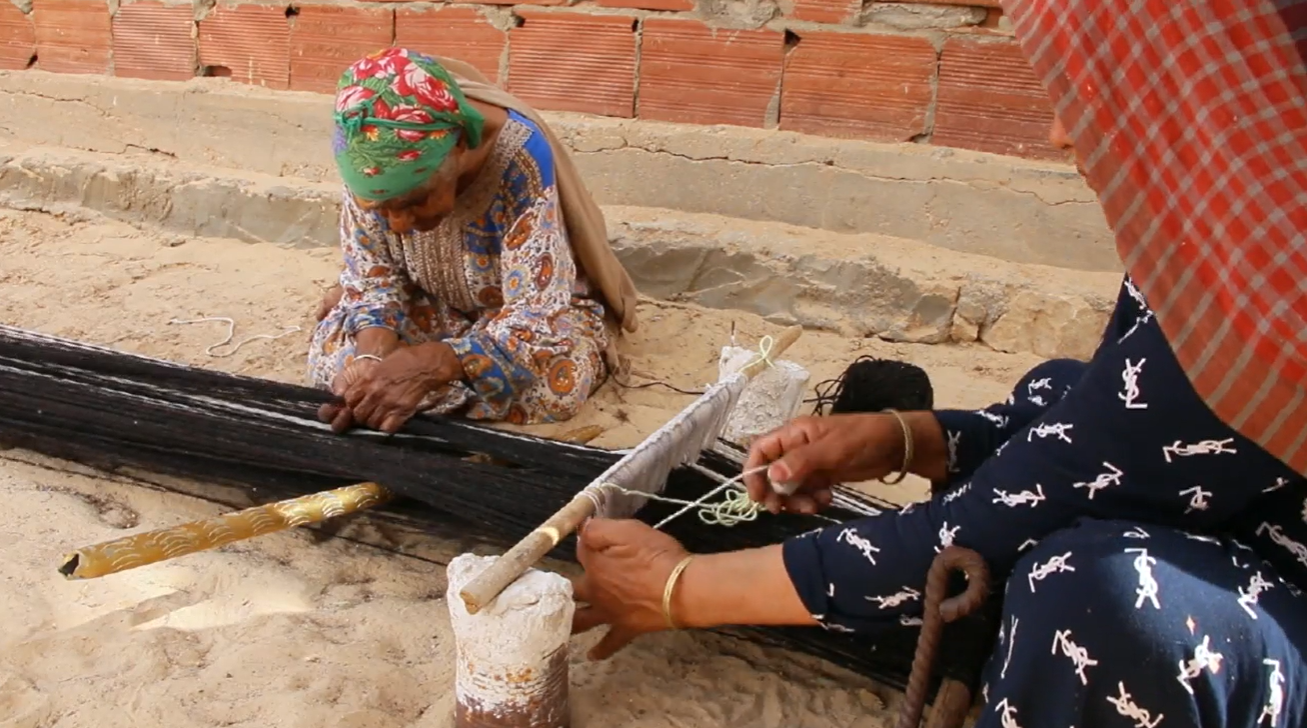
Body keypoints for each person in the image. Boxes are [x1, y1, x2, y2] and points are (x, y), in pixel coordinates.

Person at [567, 10, 1307, 728]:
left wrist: (675, 589)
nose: (1058, 134)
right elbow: (1106, 426)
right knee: (1057, 386)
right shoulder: (1235, 232)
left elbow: (970, 529)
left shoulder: (1273, 297)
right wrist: (909, 439)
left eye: (1109, 93)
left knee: (1099, 593)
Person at [310, 48, 639, 434]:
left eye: (415, 202)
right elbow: (374, 280)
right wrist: (370, 354)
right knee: (335, 363)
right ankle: (406, 386)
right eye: (380, 208)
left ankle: (419, 388)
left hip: (511, 313)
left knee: (555, 387)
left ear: (459, 149)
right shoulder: (368, 150)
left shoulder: (519, 158)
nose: (398, 225)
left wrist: (433, 364)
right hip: (433, 304)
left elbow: (534, 317)